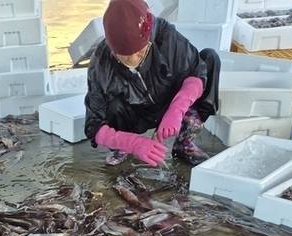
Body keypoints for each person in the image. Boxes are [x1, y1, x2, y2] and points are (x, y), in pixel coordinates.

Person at [85, 0, 220, 168]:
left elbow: (196, 70)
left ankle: (184, 140)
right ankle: (122, 147)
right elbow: (93, 124)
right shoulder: (101, 62)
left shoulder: (165, 35)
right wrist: (132, 142)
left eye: (140, 52)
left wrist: (177, 109)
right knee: (112, 105)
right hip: (135, 114)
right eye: (124, 57)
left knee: (209, 59)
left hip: (168, 101)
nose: (134, 61)